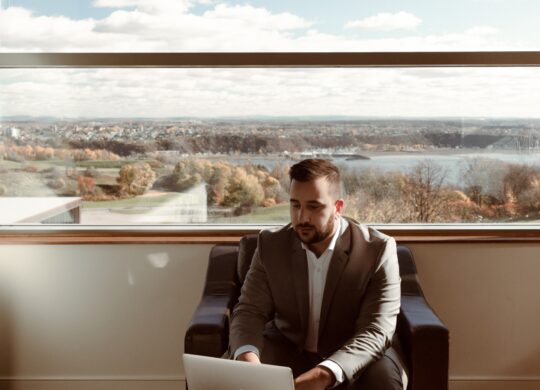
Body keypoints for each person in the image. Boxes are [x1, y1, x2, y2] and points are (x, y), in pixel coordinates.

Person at [229, 158, 407, 390]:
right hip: (287, 345)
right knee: (230, 372)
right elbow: (250, 310)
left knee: (383, 379)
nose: (302, 217)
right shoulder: (270, 244)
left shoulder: (378, 249)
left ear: (338, 207)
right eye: (295, 205)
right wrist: (247, 358)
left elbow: (376, 329)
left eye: (314, 206)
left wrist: (326, 372)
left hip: (353, 352)